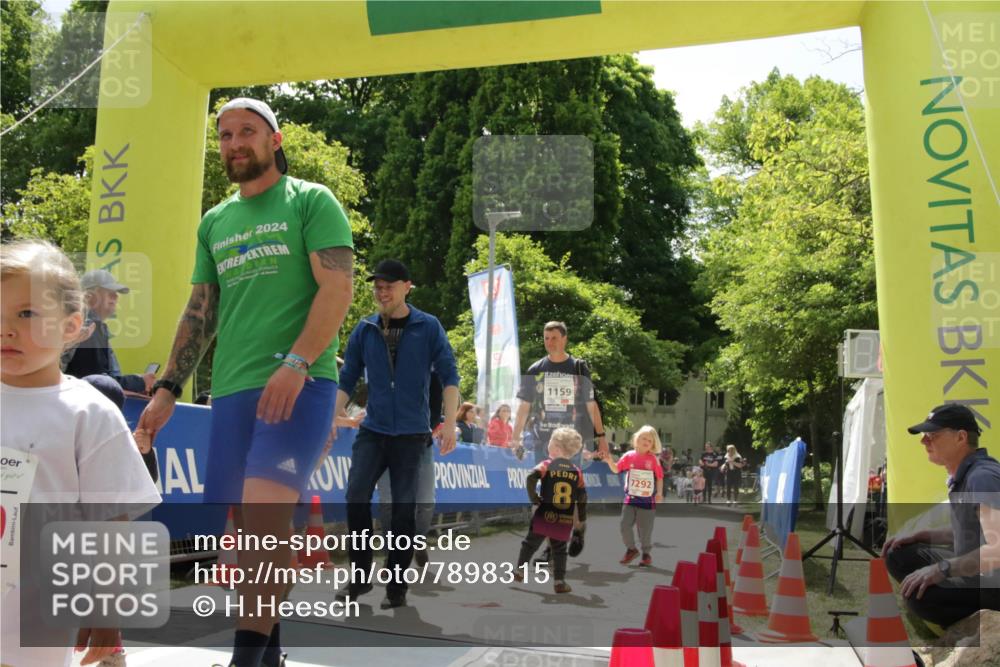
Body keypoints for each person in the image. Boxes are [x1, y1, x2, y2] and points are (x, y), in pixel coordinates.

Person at [136, 97, 355, 667]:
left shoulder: (312, 201)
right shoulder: (215, 221)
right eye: (225, 134)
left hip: (299, 384)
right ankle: (271, 653)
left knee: (263, 524)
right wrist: (167, 390)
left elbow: (337, 291)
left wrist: (298, 362)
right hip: (230, 391)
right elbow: (200, 312)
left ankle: (245, 660)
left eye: (247, 132)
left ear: (274, 140)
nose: (235, 143)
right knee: (251, 526)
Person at [1, 240, 161, 667]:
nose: (6, 329)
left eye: (26, 313)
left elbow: (111, 523)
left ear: (72, 327)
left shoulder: (88, 413)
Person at [335, 259, 460, 610]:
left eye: (389, 284)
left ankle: (396, 585)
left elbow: (450, 377)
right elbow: (348, 379)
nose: (381, 290)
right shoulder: (364, 329)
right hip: (373, 430)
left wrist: (449, 424)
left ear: (407, 286)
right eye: (377, 285)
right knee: (355, 496)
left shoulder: (428, 326)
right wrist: (333, 414)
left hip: (411, 435)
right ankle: (360, 576)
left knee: (404, 513)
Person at [881, 404, 1000, 629]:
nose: (924, 441)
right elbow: (974, 534)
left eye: (932, 435)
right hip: (982, 573)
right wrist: (924, 535)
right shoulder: (965, 475)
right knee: (898, 554)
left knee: (920, 597)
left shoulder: (982, 477)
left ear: (961, 437)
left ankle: (985, 628)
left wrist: (941, 569)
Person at [512, 321, 609, 462]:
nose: (549, 342)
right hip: (543, 442)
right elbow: (524, 406)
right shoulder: (535, 369)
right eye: (546, 338)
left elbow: (591, 405)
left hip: (571, 443)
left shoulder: (578, 368)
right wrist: (515, 438)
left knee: (568, 483)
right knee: (545, 482)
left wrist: (602, 438)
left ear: (564, 339)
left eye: (554, 338)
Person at [516, 427, 588, 594]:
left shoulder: (547, 464)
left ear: (556, 447)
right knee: (560, 550)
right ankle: (559, 582)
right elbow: (582, 496)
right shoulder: (577, 472)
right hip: (564, 516)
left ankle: (519, 571)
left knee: (530, 543)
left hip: (545, 512)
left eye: (550, 442)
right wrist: (581, 518)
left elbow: (531, 477)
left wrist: (534, 498)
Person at [64, 269, 157, 395]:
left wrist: (138, 384)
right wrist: (139, 382)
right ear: (88, 296)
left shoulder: (94, 326)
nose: (116, 296)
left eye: (116, 293)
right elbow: (96, 383)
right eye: (109, 292)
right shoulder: (89, 327)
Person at [599, 426, 664, 567]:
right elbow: (616, 469)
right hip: (630, 499)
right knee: (624, 526)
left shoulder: (653, 459)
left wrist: (659, 493)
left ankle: (646, 554)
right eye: (643, 438)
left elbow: (659, 477)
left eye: (650, 440)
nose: (646, 441)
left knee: (644, 529)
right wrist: (610, 461)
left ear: (653, 444)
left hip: (647, 501)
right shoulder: (629, 456)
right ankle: (631, 549)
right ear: (636, 439)